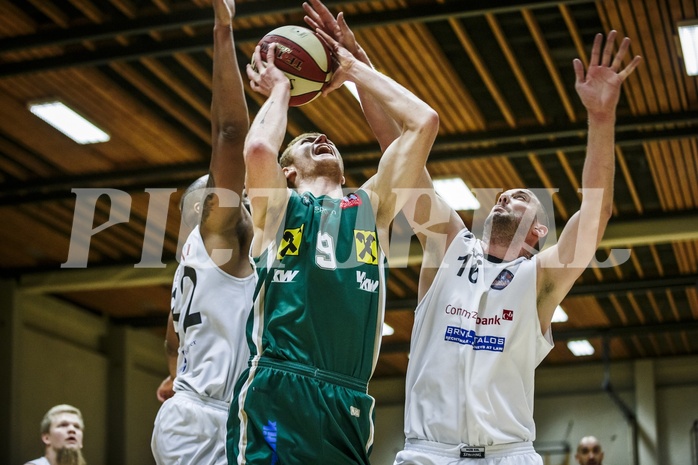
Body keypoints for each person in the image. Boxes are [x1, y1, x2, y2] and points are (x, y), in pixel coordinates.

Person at [393, 31, 642, 465]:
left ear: (539, 232)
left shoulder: (541, 279)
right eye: (502, 195)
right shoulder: (448, 247)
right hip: (428, 453)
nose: (506, 196)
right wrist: (359, 75)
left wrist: (601, 119)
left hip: (508, 454)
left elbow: (596, 214)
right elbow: (405, 160)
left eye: (522, 196)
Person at [225, 2, 439, 463]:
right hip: (279, 391)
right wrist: (279, 89)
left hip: (348, 399)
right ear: (286, 173)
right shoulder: (277, 209)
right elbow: (260, 146)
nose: (321, 139)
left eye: (327, 139)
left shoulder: (373, 207)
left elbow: (424, 122)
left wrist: (355, 66)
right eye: (305, 141)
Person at [150, 0, 255, 463]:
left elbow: (172, 338)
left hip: (216, 412)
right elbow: (230, 133)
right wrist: (223, 29)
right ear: (208, 210)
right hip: (207, 420)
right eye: (241, 196)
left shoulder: (197, 258)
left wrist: (177, 374)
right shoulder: (216, 240)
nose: (247, 200)